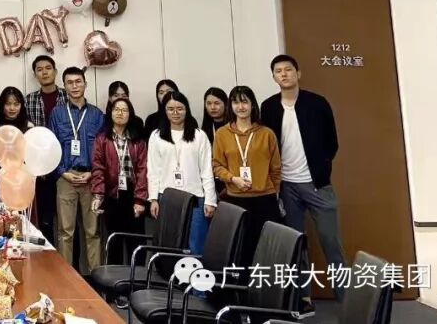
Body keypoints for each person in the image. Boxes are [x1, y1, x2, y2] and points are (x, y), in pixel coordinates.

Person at [260, 54, 346, 302]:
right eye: (278, 71)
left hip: (317, 184)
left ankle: (346, 297)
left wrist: (321, 167)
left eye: (288, 69)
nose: (284, 74)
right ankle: (303, 296)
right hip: (287, 186)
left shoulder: (317, 103)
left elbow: (332, 142)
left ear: (298, 73)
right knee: (296, 243)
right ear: (274, 77)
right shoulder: (268, 107)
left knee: (331, 242)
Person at [213, 85, 282, 265]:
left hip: (265, 200)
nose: (241, 107)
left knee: (266, 249)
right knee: (239, 249)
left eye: (245, 102)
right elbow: (217, 165)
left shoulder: (267, 134)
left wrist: (274, 192)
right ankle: (242, 283)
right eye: (236, 102)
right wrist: (233, 179)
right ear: (231, 106)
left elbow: (276, 168)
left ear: (253, 105)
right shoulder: (222, 134)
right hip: (235, 199)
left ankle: (264, 282)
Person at [49, 67, 105, 274]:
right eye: (70, 82)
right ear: (64, 87)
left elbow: (102, 149)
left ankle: (97, 279)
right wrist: (62, 172)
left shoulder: (97, 115)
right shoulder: (57, 114)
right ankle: (66, 279)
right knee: (65, 232)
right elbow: (52, 147)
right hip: (66, 177)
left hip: (91, 178)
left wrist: (93, 173)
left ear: (85, 84)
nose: (74, 86)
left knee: (93, 231)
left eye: (78, 81)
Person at [146, 91, 217, 255]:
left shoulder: (199, 135)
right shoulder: (156, 136)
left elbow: (206, 170)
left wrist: (210, 200)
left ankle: (196, 272)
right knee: (170, 246)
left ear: (187, 109)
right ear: (164, 111)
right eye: (170, 109)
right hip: (166, 198)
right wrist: (154, 199)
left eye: (180, 108)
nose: (175, 113)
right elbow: (153, 170)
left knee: (196, 246)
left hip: (196, 198)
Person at [91, 98, 148, 264]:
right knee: (113, 241)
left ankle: (136, 278)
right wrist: (98, 195)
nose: (120, 113)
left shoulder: (138, 141)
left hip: (133, 195)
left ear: (130, 114)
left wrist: (140, 199)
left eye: (124, 110)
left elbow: (143, 170)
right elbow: (98, 168)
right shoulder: (102, 139)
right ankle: (114, 279)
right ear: (110, 113)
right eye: (116, 109)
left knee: (135, 242)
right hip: (112, 195)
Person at [24, 55, 64, 244]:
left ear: (55, 71)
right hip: (40, 169)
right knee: (45, 220)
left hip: (64, 165)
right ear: (35, 75)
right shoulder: (29, 100)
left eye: (48, 68)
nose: (44, 72)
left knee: (68, 222)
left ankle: (69, 261)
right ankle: (48, 257)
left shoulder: (67, 96)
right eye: (39, 70)